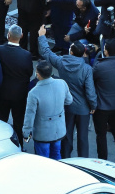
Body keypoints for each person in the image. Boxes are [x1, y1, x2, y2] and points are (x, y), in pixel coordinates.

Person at [36, 25, 96, 158]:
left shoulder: (62, 62)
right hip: (83, 108)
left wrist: (42, 36)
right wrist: (93, 105)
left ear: (72, 52)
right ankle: (83, 161)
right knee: (83, 138)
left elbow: (46, 52)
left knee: (66, 135)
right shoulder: (86, 69)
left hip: (67, 106)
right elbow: (90, 90)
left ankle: (66, 159)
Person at [22, 61, 72, 158]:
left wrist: (26, 132)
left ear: (38, 74)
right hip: (58, 130)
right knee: (57, 154)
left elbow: (30, 115)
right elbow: (69, 100)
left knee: (43, 158)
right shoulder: (62, 83)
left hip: (42, 133)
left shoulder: (34, 92)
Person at [0, 25, 34, 139]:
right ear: (21, 36)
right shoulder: (26, 55)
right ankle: (19, 145)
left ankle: (0, 140)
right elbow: (29, 72)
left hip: (3, 92)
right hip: (20, 94)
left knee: (1, 119)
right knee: (18, 121)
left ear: (8, 35)